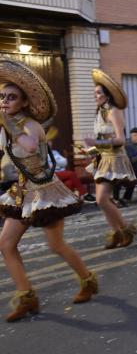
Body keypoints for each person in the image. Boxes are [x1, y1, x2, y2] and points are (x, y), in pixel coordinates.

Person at [0, 59, 98, 322]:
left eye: (11, 97)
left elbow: (30, 146)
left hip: (44, 192)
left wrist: (8, 125)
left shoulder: (31, 125)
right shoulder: (6, 128)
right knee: (6, 244)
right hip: (20, 191)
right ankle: (26, 296)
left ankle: (88, 280)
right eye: (2, 97)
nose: (5, 102)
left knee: (55, 245)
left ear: (23, 103)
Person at [86, 68, 137, 249]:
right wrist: (91, 148)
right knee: (103, 200)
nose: (96, 96)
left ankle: (124, 230)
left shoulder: (114, 112)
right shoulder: (99, 112)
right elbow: (101, 140)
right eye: (94, 93)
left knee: (102, 199)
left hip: (115, 159)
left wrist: (97, 143)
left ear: (107, 95)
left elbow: (121, 139)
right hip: (103, 159)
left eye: (99, 93)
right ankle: (118, 233)